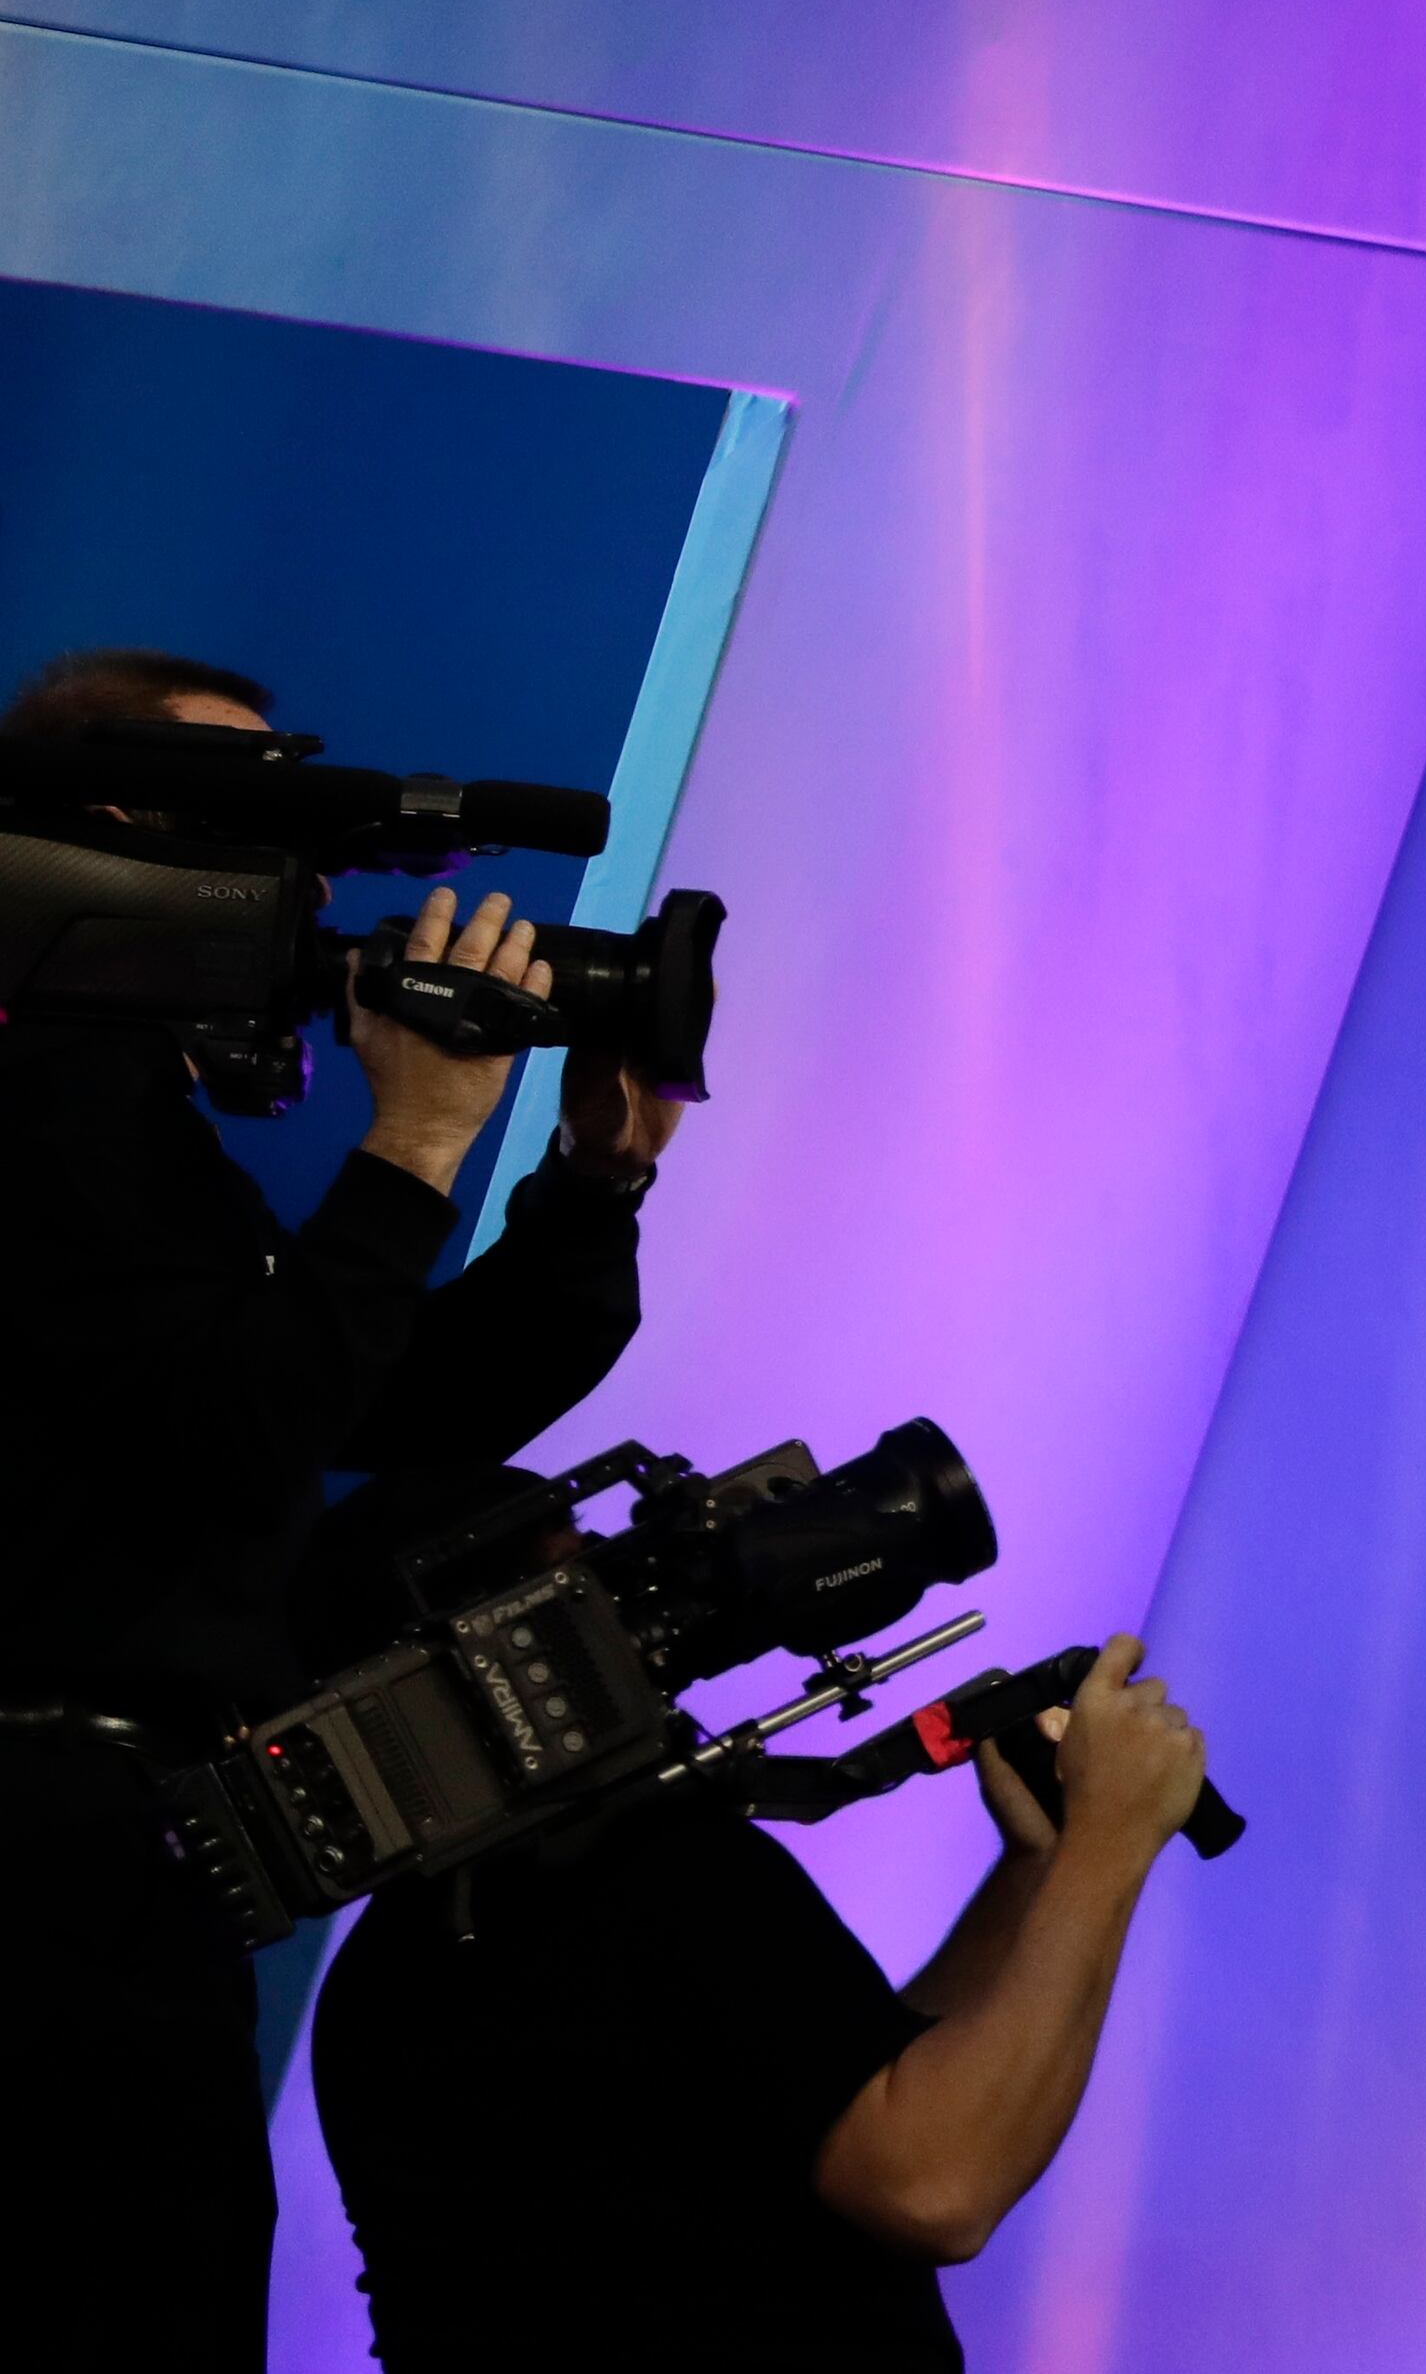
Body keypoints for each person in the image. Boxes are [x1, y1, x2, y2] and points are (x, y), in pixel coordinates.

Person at [0, 647, 684, 2373]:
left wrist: (593, 1180)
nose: (295, 871)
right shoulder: (45, 1099)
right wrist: (413, 1150)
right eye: (240, 813)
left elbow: (385, 1402)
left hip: (127, 1867)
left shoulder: (130, 1117)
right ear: (100, 823)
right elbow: (246, 1427)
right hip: (42, 1884)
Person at [301, 1468, 1210, 2373]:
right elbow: (936, 2182)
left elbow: (835, 2090)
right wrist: (1111, 1844)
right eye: (582, 1564)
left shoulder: (384, 1971)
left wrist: (1040, 1870)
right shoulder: (664, 1877)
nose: (626, 1588)